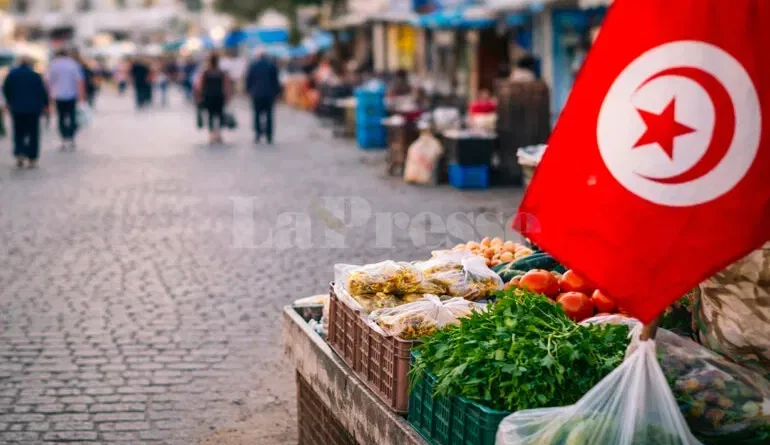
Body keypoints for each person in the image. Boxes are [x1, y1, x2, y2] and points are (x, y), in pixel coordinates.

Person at [3, 56, 49, 168]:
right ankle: (32, 158)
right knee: (33, 133)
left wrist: (9, 102)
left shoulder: (12, 75)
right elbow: (43, 92)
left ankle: (19, 153)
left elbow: (5, 89)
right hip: (33, 109)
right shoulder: (36, 76)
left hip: (17, 108)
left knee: (19, 132)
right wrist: (46, 105)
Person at [47, 48, 84, 151]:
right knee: (72, 116)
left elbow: (48, 81)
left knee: (61, 117)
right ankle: (71, 137)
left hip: (58, 95)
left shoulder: (53, 64)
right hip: (72, 94)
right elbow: (79, 80)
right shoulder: (73, 64)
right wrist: (81, 96)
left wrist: (49, 96)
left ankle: (63, 138)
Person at [244, 48, 281, 144]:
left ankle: (258, 133)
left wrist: (248, 91)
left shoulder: (253, 66)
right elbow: (276, 81)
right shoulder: (272, 66)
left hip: (256, 94)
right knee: (269, 114)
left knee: (257, 114)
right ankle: (269, 134)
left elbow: (248, 80)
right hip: (269, 94)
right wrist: (277, 92)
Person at [195, 53, 231, 144]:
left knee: (211, 115)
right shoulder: (221, 73)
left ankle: (212, 134)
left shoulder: (206, 72)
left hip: (208, 96)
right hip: (219, 96)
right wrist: (228, 96)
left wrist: (199, 96)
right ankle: (218, 133)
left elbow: (199, 86)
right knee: (219, 114)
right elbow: (226, 86)